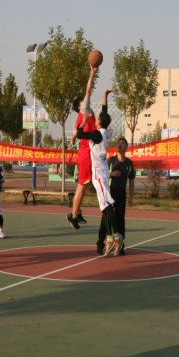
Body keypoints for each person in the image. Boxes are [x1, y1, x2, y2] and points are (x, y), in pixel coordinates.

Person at [75, 97, 122, 256]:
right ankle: (109, 237)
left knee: (107, 205)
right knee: (104, 206)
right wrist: (105, 97)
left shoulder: (96, 134)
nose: (95, 119)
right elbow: (105, 114)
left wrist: (84, 120)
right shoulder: (105, 132)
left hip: (99, 173)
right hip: (101, 171)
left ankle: (116, 235)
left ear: (100, 121)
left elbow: (79, 134)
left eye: (97, 118)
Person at [67, 66, 99, 229]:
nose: (86, 100)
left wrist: (74, 136)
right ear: (80, 105)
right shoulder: (85, 110)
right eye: (83, 100)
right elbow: (88, 89)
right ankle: (73, 216)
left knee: (84, 184)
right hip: (86, 153)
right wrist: (92, 72)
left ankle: (77, 212)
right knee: (82, 184)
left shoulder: (80, 118)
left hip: (86, 152)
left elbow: (74, 136)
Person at [96, 137, 135, 255]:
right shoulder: (110, 160)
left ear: (126, 147)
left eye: (122, 143)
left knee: (120, 219)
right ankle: (100, 244)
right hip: (110, 193)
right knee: (106, 219)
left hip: (121, 194)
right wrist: (113, 174)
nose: (120, 145)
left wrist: (131, 197)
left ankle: (120, 246)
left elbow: (131, 181)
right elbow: (102, 174)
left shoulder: (129, 163)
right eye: (118, 143)